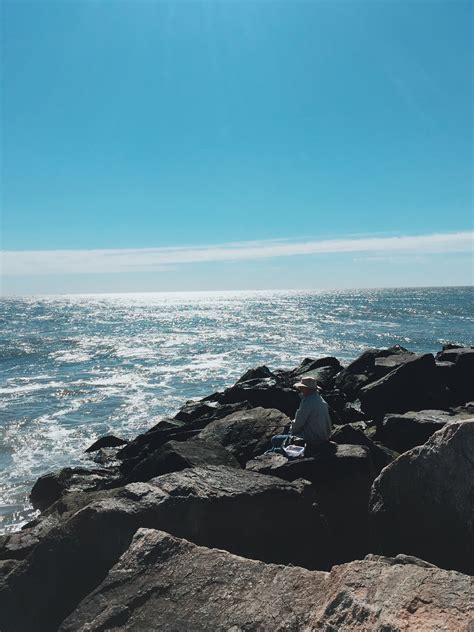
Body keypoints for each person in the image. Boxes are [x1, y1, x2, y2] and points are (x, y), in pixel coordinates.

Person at [271, 376, 333, 454]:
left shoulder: (308, 402)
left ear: (307, 389)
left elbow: (299, 423)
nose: (300, 390)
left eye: (302, 388)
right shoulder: (321, 401)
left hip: (312, 438)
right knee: (285, 434)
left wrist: (291, 431)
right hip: (323, 436)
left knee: (274, 439)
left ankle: (272, 454)